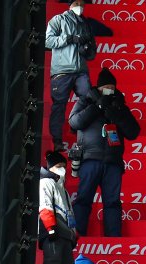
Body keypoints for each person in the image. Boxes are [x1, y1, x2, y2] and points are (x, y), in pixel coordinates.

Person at [68, 67, 141, 237]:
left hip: (113, 162)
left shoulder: (120, 105)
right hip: (89, 159)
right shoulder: (85, 101)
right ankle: (77, 236)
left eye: (112, 87)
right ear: (98, 88)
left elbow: (133, 132)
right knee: (83, 199)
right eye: (105, 87)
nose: (109, 90)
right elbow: (74, 122)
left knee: (112, 203)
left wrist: (115, 113)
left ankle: (114, 239)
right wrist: (98, 106)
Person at [44, 0, 111, 151]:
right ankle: (57, 140)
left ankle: (78, 129)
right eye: (77, 2)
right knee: (59, 106)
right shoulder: (58, 20)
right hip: (61, 71)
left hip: (81, 70)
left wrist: (88, 49)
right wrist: (69, 39)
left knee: (89, 100)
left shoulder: (86, 24)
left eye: (82, 3)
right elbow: (47, 41)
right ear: (70, 4)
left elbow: (91, 53)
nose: (80, 6)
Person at [39, 151, 77, 264]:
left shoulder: (64, 190)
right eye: (58, 166)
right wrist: (50, 228)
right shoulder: (45, 183)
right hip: (53, 233)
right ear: (50, 167)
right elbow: (45, 206)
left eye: (64, 166)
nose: (62, 169)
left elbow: (69, 213)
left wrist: (74, 234)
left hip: (66, 235)